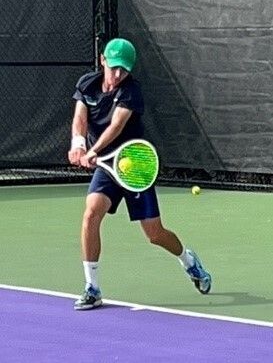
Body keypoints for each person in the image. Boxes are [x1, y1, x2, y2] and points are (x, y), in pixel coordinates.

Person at [68, 38, 212, 310]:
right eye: (114, 68)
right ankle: (92, 287)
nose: (119, 74)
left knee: (155, 234)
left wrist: (92, 150)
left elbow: (116, 126)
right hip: (107, 169)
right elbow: (80, 118)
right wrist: (78, 144)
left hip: (135, 166)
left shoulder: (131, 91)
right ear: (103, 61)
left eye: (124, 69)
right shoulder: (87, 84)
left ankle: (189, 261)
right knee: (90, 214)